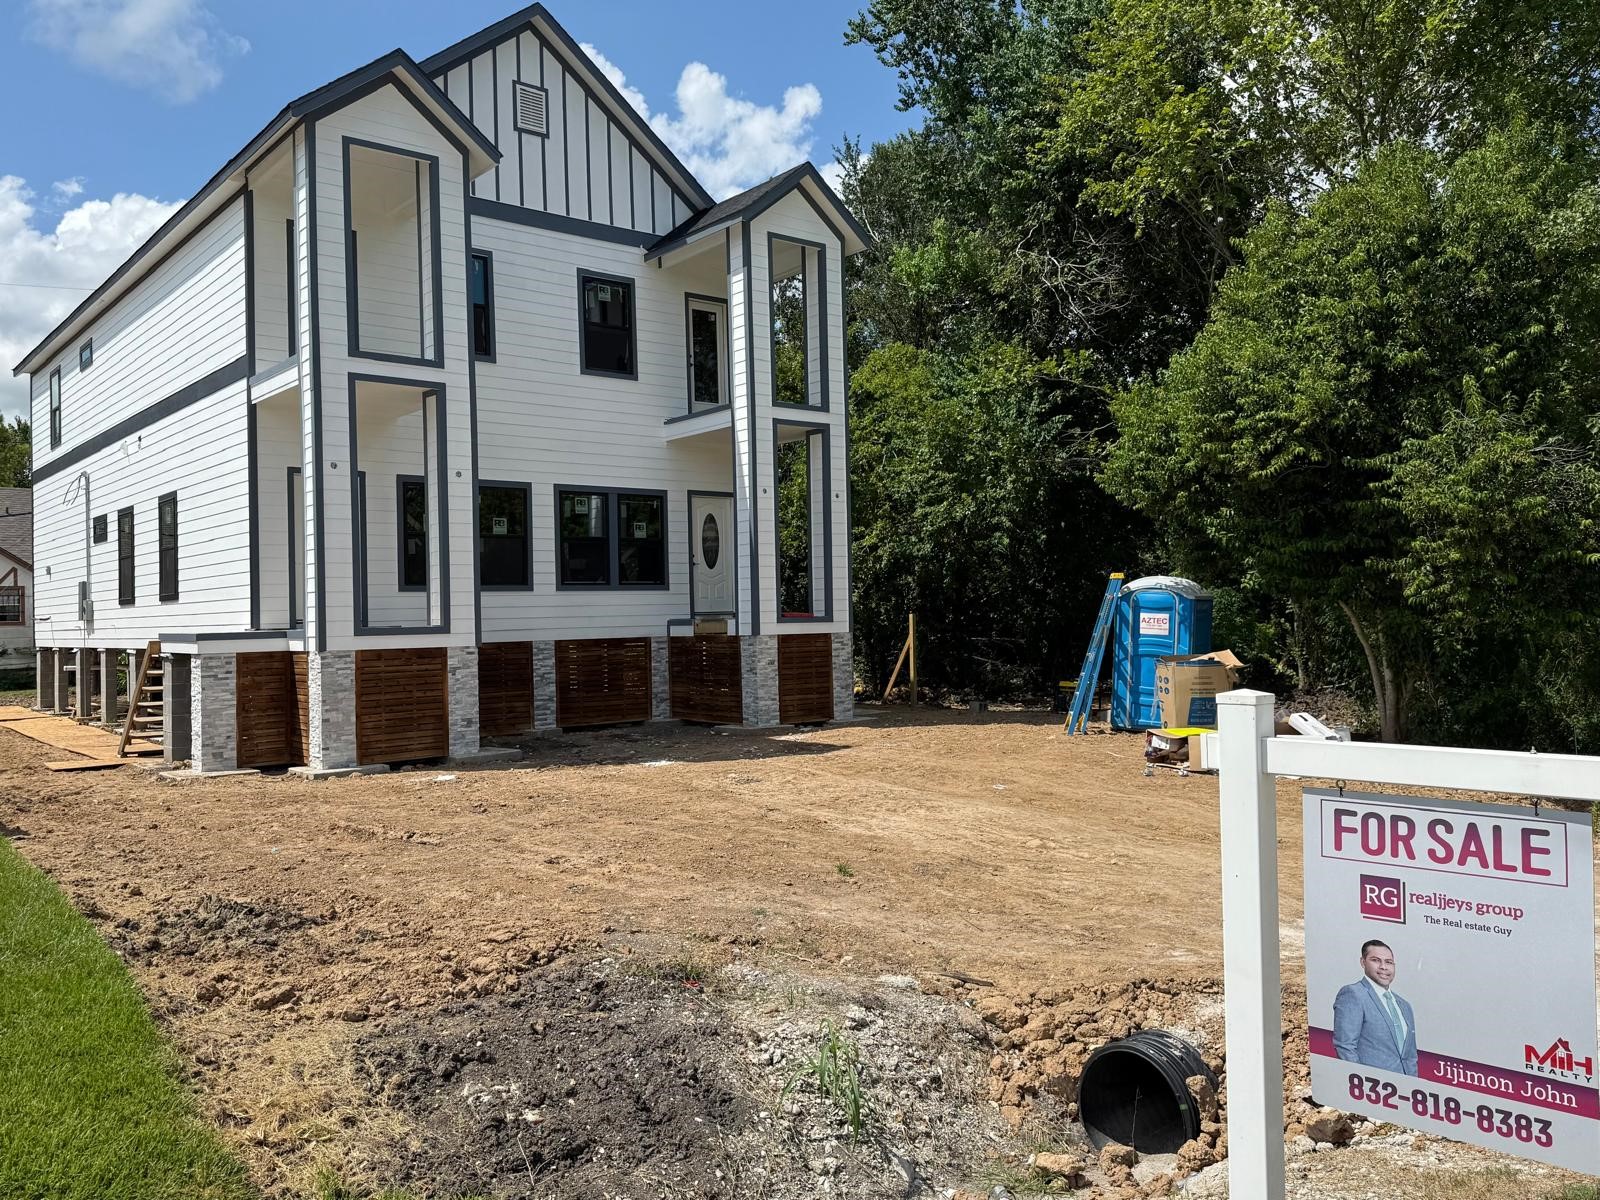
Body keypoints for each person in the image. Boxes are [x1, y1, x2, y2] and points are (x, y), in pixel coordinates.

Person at [1333, 939, 1418, 1075]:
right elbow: (1345, 1047)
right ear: (1363, 962)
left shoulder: (1404, 1006)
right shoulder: (1353, 994)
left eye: (1388, 962)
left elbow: (1410, 1056)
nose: (1383, 967)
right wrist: (1360, 1083)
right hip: (1371, 1090)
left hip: (1404, 1090)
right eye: (1376, 960)